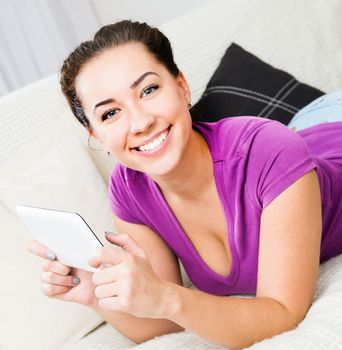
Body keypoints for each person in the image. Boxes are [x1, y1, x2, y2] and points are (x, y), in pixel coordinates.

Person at [27, 20, 342, 349]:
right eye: (110, 113)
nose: (141, 121)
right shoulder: (129, 188)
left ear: (182, 87)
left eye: (148, 90)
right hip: (295, 139)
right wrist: (93, 292)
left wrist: (166, 296)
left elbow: (283, 314)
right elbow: (163, 319)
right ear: (96, 135)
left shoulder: (272, 149)